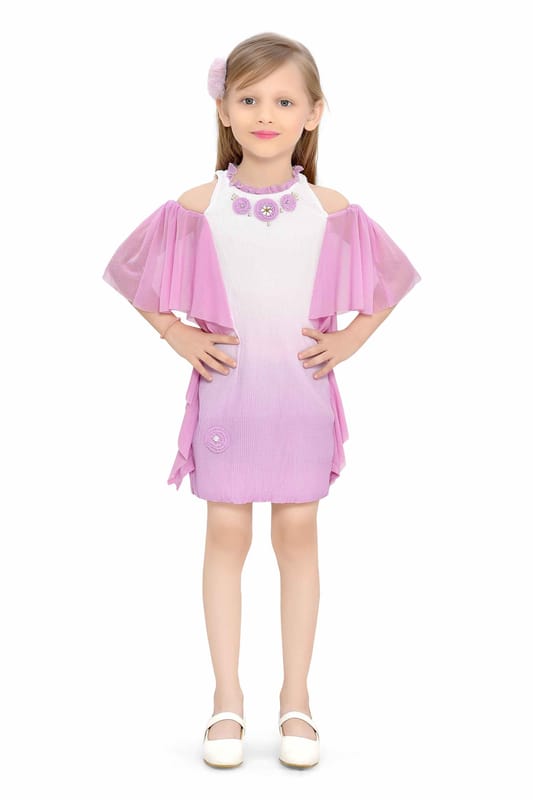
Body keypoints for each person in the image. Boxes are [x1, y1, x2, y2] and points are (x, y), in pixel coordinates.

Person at [102, 32, 421, 769]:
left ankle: (297, 700)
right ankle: (226, 700)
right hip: (230, 398)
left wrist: (349, 340)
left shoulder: (331, 210)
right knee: (225, 534)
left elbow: (391, 281)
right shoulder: (198, 205)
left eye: (283, 100)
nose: (265, 114)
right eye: (248, 99)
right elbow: (130, 270)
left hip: (300, 399)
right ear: (224, 109)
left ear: (314, 113)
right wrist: (176, 333)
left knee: (299, 534)